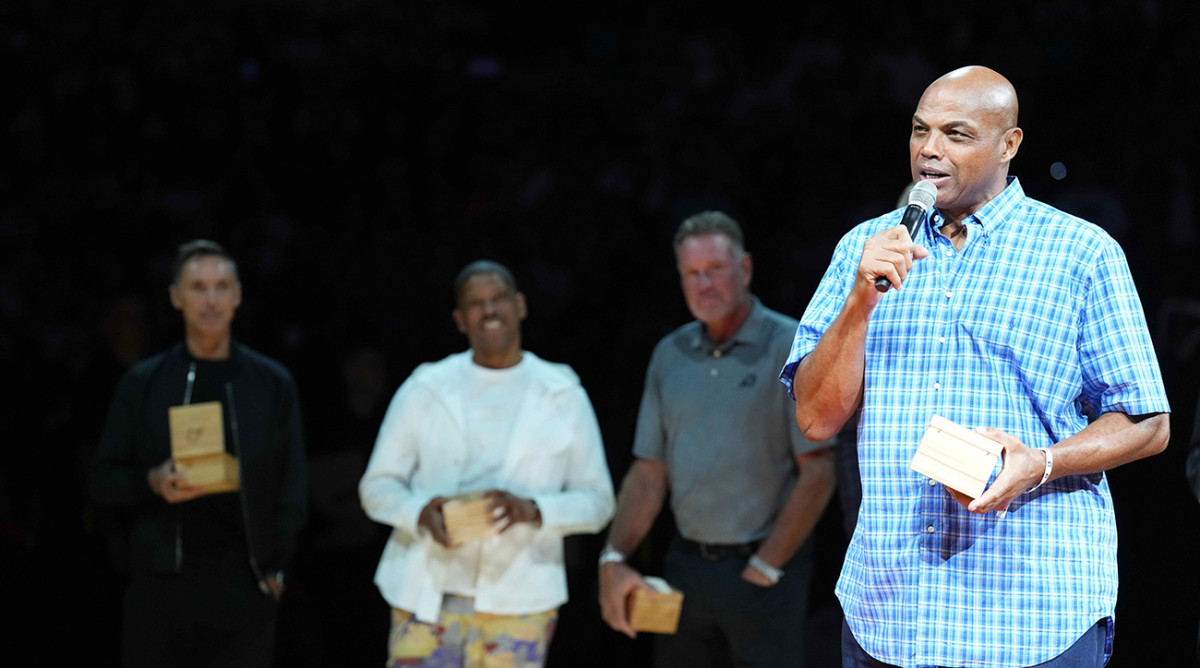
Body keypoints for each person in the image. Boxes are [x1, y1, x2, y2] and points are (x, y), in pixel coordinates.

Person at [783, 66, 1170, 668]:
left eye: (956, 134)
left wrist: (1041, 463)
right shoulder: (865, 248)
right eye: (919, 131)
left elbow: (1148, 422)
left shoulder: (1081, 253)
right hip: (890, 612)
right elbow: (815, 419)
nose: (929, 150)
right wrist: (861, 301)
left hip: (1031, 614)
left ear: (1008, 145)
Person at [599, 212, 836, 668]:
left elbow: (819, 470)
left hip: (766, 570)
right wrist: (615, 554)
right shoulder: (670, 354)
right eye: (691, 273)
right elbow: (649, 471)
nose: (703, 284)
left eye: (714, 270)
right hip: (685, 567)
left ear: (744, 269)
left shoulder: (792, 343)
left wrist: (767, 565)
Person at [359, 260, 615, 668]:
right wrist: (421, 513)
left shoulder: (561, 393)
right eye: (476, 303)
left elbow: (598, 501)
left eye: (498, 299)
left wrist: (534, 510)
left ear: (520, 306)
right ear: (460, 320)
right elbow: (377, 487)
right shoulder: (426, 387)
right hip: (427, 594)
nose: (489, 310)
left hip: (520, 601)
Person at [92, 240, 307, 667]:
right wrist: (150, 481)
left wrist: (276, 567)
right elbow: (101, 480)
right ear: (175, 297)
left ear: (237, 295)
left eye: (221, 286)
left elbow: (293, 483)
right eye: (197, 287)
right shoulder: (144, 383)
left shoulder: (270, 383)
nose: (210, 299)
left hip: (244, 586)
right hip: (160, 586)